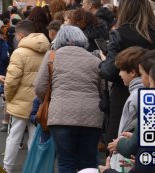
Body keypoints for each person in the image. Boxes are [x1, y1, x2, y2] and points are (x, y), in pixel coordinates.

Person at [99, 0, 155, 146]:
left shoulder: (119, 34)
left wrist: (102, 61)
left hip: (123, 96)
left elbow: (108, 71)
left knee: (119, 147)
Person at [34, 25, 104, 173]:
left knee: (66, 162)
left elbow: (40, 86)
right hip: (91, 116)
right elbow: (103, 90)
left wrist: (51, 101)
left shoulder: (51, 57)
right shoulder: (95, 59)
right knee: (88, 162)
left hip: (60, 115)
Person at [2, 20, 50, 173]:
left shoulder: (19, 52)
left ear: (20, 35)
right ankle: (33, 168)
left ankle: (7, 168)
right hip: (39, 102)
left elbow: (11, 81)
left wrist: (8, 98)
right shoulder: (47, 51)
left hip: (19, 102)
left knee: (14, 136)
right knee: (34, 137)